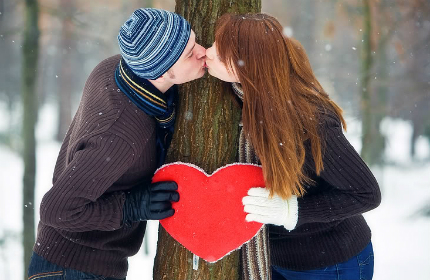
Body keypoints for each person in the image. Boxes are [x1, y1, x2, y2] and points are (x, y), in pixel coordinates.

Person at [27, 8, 206, 280]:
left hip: (79, 264)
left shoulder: (117, 68)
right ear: (160, 71)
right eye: (190, 53)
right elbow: (56, 209)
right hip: (73, 268)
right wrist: (131, 207)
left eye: (195, 42)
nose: (203, 52)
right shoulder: (121, 135)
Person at [206, 13, 381, 280]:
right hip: (272, 259)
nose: (207, 54)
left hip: (330, 263)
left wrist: (292, 211)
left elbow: (366, 193)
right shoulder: (241, 97)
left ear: (245, 67)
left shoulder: (310, 123)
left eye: (219, 55)